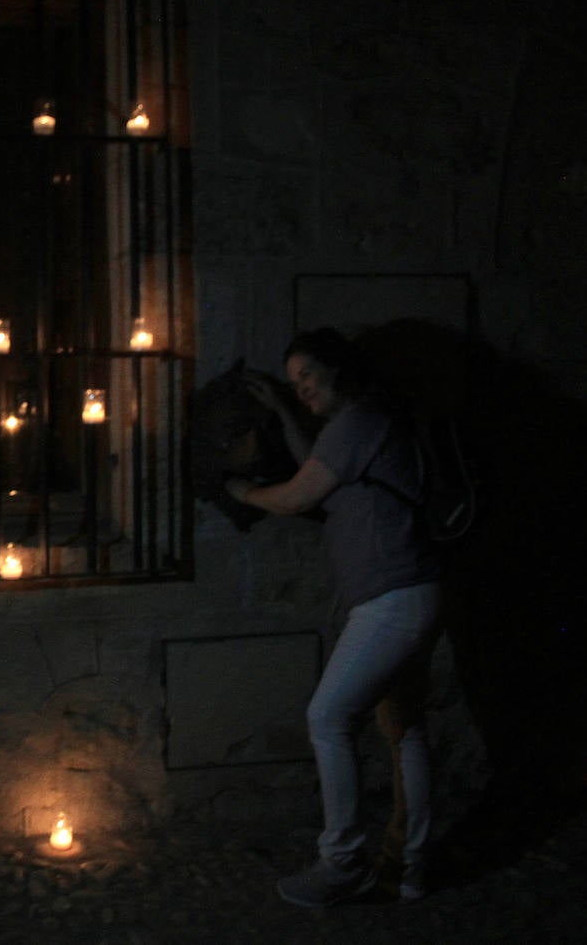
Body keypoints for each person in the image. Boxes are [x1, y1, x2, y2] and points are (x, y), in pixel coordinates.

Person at [222, 327, 443, 907]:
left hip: (391, 601)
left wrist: (245, 493)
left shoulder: (359, 422)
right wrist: (282, 412)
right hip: (412, 593)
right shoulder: (363, 427)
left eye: (308, 378)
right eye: (294, 385)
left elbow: (299, 495)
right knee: (407, 731)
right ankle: (412, 869)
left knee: (327, 716)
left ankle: (343, 861)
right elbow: (319, 473)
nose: (302, 391)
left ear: (338, 372)